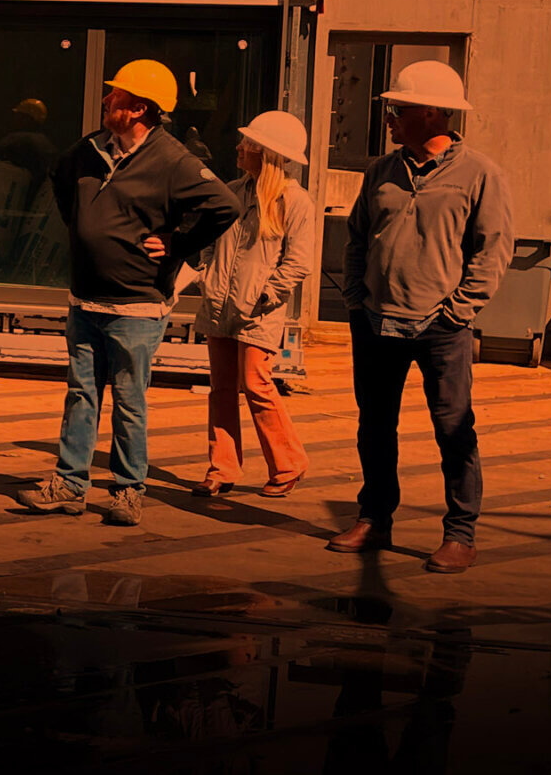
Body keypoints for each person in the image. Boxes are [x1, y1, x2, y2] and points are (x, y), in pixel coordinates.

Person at [12, 59, 241, 527]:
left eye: (115, 97)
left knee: (130, 400)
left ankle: (128, 490)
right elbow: (60, 179)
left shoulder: (173, 160)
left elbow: (225, 206)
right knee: (81, 394)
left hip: (137, 306)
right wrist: (83, 229)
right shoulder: (88, 150)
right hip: (85, 301)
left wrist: (179, 243)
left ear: (137, 109)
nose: (105, 101)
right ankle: (70, 485)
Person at [328, 60, 511, 574]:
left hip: (440, 330)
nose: (389, 117)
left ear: (432, 113)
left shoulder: (480, 175)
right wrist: (357, 302)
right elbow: (358, 239)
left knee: (453, 428)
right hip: (376, 322)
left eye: (398, 109)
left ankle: (460, 534)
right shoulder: (380, 172)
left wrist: (456, 314)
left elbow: (492, 251)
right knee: (375, 425)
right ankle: (375, 517)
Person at [191, 111, 316, 498]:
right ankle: (222, 468)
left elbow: (299, 262)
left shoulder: (295, 202)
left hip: (258, 310)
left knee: (255, 382)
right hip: (219, 305)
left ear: (268, 153)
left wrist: (266, 295)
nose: (239, 148)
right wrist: (205, 274)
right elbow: (209, 240)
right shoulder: (231, 192)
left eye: (249, 144)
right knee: (221, 387)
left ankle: (289, 463)